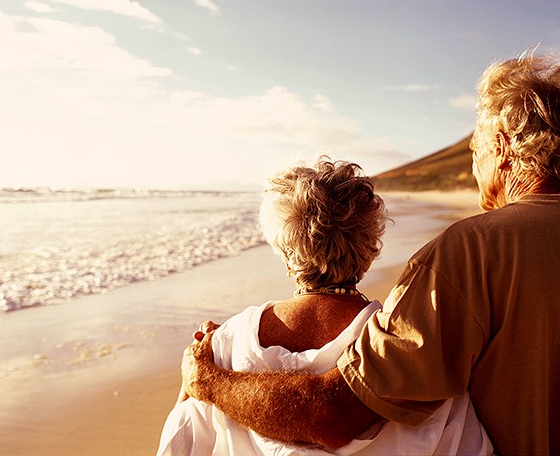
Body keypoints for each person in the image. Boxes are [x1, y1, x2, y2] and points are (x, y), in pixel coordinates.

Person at [181, 55, 560, 455]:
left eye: (476, 151)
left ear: (505, 146)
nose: (475, 167)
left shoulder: (471, 251)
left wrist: (210, 382)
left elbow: (335, 416)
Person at [158, 158, 492, 455]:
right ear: (369, 248)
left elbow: (180, 444)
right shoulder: (409, 351)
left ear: (285, 252)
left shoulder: (220, 347)